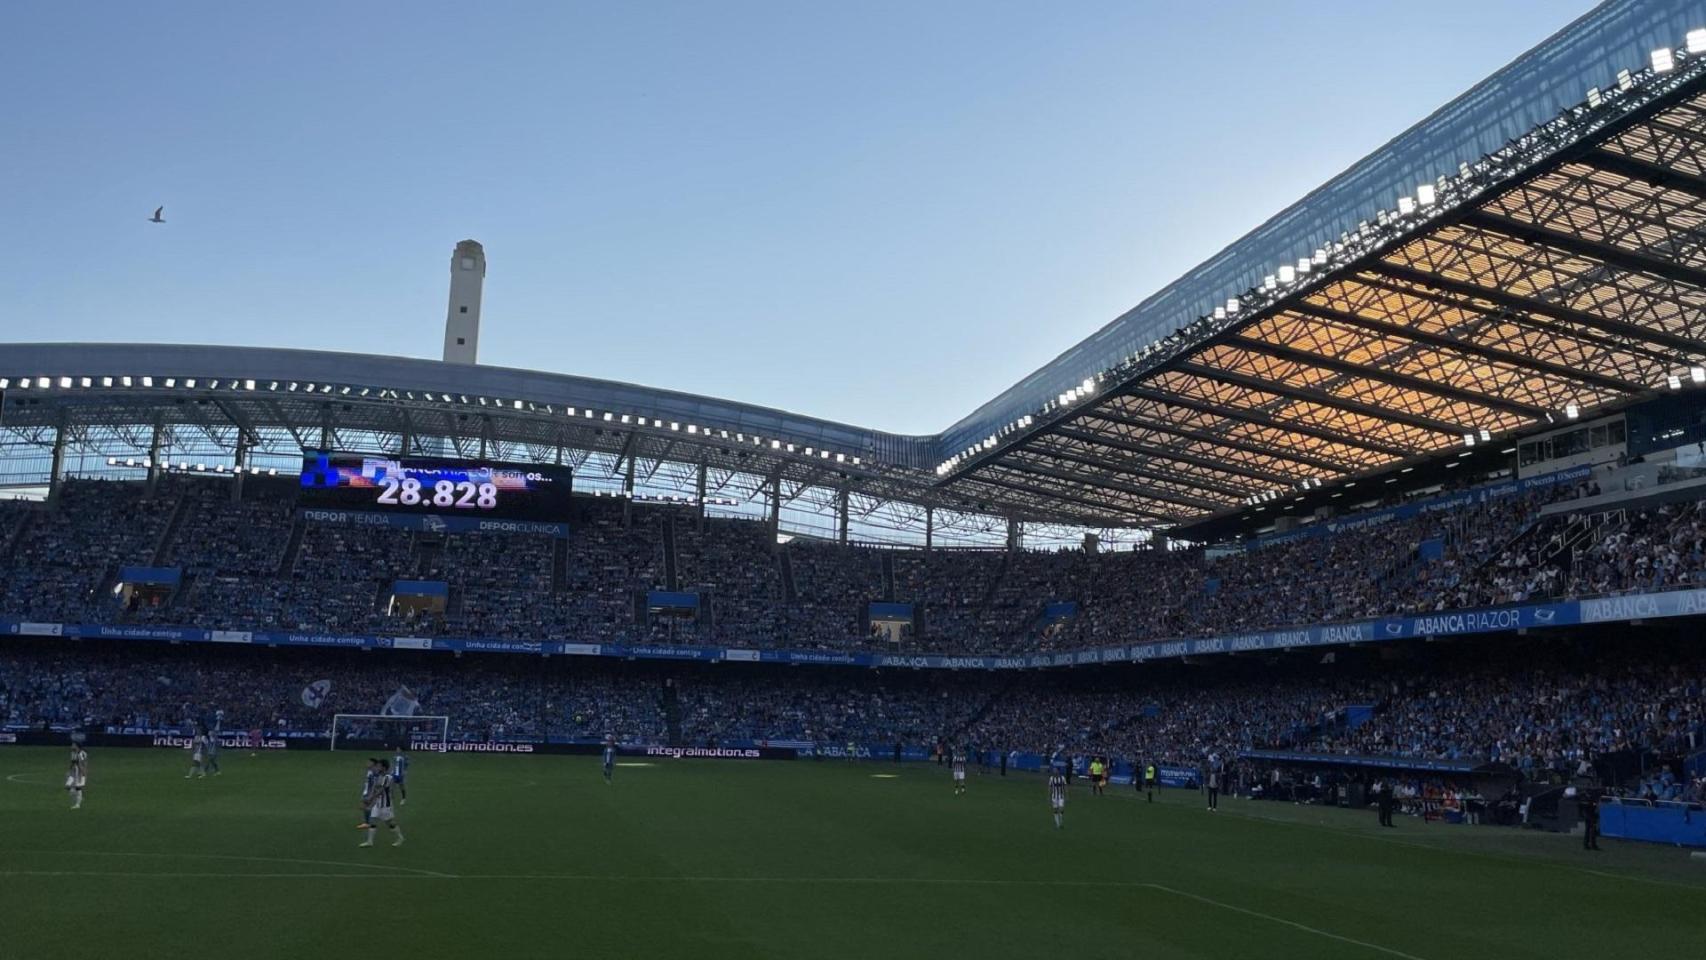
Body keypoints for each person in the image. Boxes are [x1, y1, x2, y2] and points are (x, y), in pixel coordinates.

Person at [359, 759, 404, 848]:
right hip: (378, 803)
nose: (377, 767)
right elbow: (374, 788)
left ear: (383, 767)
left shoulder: (388, 777)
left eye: (379, 766)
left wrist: (370, 799)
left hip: (386, 805)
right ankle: (369, 842)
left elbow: (381, 790)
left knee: (390, 823)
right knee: (372, 821)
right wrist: (370, 799)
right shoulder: (378, 776)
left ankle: (400, 838)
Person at [65, 744, 88, 810]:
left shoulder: (82, 753)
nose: (71, 746)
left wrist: (83, 773)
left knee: (78, 788)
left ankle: (77, 805)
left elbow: (84, 763)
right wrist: (69, 771)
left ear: (77, 746)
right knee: (67, 786)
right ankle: (80, 797)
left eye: (73, 745)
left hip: (79, 772)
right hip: (73, 772)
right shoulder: (73, 753)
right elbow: (72, 762)